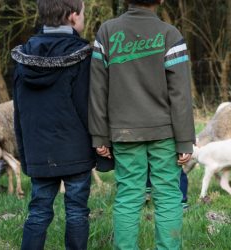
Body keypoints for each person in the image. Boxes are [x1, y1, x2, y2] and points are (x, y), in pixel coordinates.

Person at [88, 0, 195, 248]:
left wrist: (99, 136)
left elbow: (97, 89)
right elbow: (180, 94)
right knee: (169, 196)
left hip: (123, 133)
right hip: (165, 133)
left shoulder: (107, 31)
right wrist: (185, 140)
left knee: (128, 196)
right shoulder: (170, 34)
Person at [11, 0, 94, 249]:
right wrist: (99, 144)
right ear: (72, 16)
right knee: (77, 212)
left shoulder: (23, 54)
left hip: (39, 150)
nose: (83, 19)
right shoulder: (83, 54)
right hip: (75, 149)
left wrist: (25, 152)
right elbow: (87, 106)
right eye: (82, 14)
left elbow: (20, 112)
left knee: (38, 211)